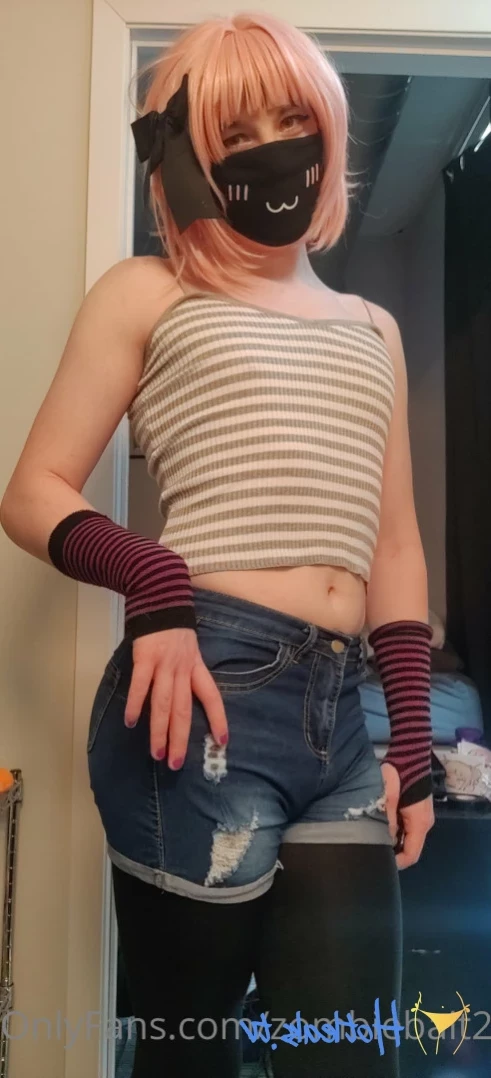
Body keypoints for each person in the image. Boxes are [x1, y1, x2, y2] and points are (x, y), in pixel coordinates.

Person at [0, 11, 435, 1077]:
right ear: (187, 157)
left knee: (346, 1059)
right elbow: (32, 490)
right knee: (189, 1054)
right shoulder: (149, 292)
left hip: (341, 715)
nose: (272, 148)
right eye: (236, 133)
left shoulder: (373, 330)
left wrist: (412, 744)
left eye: (292, 119)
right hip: (200, 692)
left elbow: (392, 547)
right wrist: (151, 580)